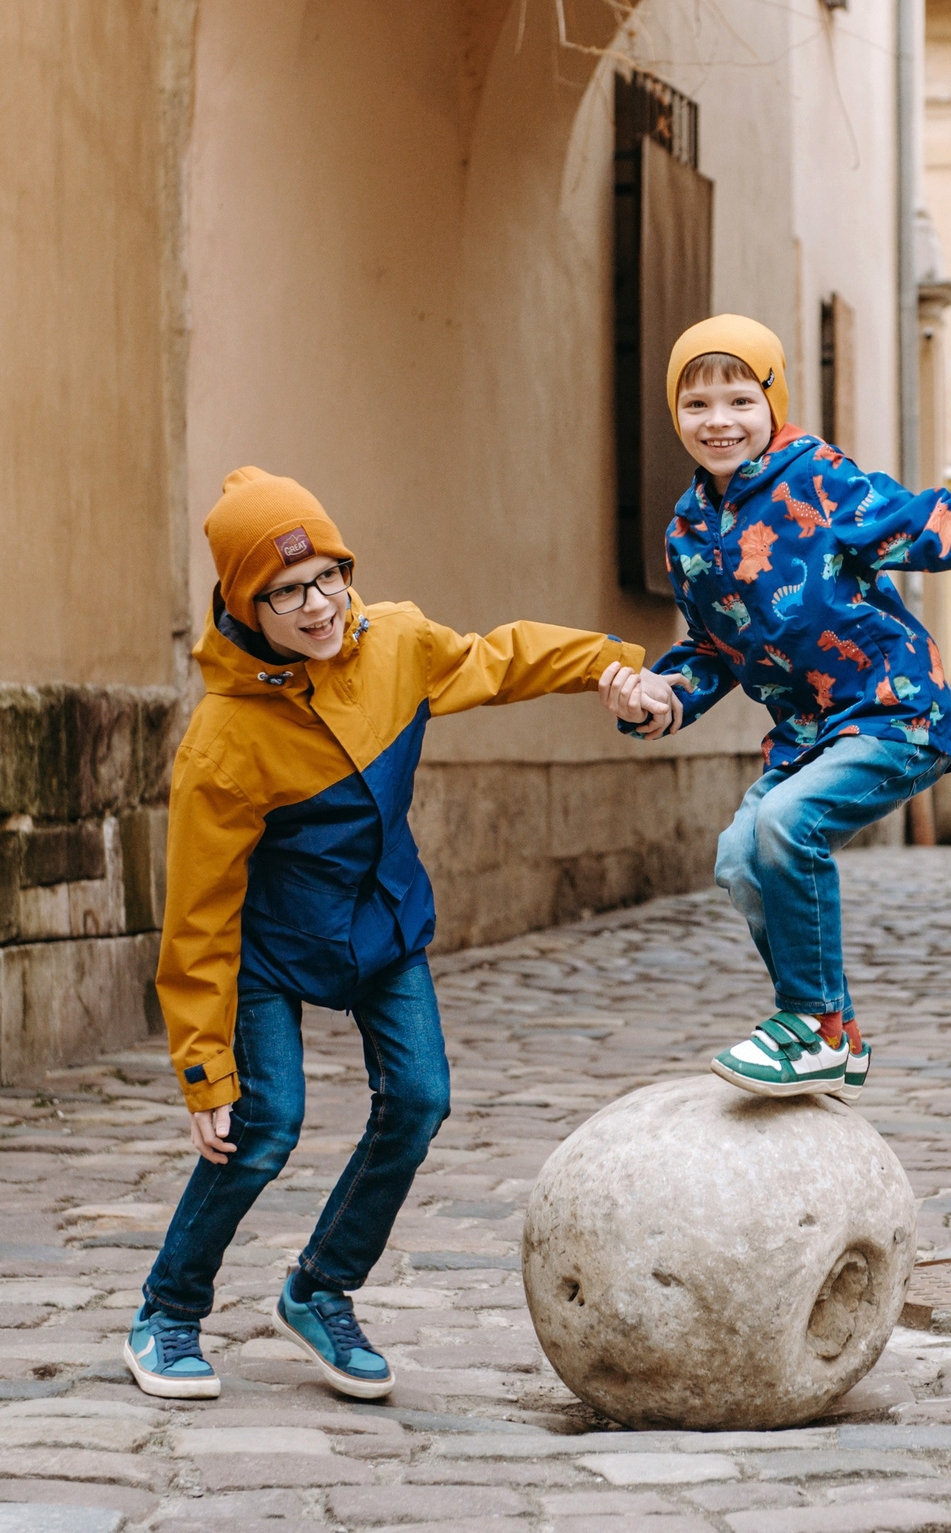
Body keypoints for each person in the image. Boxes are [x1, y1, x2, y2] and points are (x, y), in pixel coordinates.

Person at [128, 468, 647, 1402]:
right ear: (248, 603)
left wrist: (606, 660)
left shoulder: (397, 642)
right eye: (287, 591)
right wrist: (203, 1067)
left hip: (381, 928)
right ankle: (168, 1310)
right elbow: (198, 914)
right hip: (270, 950)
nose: (318, 603)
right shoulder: (222, 741)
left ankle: (320, 1288)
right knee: (261, 1125)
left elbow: (503, 658)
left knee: (418, 1098)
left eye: (329, 574)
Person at [602, 315, 951, 1097]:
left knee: (786, 826)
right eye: (697, 405)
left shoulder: (818, 480)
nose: (718, 422)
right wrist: (655, 697)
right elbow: (712, 650)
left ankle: (806, 1023)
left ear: (772, 402)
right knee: (741, 859)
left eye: (739, 400)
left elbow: (927, 524)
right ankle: (834, 1030)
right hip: (808, 737)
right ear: (675, 414)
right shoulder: (687, 534)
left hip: (894, 711)